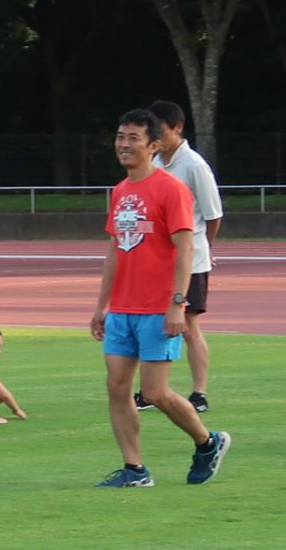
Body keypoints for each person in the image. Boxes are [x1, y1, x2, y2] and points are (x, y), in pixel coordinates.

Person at [91, 109, 231, 487]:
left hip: (157, 307)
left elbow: (186, 250)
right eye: (120, 136)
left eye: (133, 138)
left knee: (154, 392)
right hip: (123, 307)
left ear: (153, 146)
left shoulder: (172, 189)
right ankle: (135, 470)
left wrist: (177, 303)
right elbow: (115, 250)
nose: (124, 144)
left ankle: (207, 442)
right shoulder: (121, 191)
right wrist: (102, 305)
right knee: (117, 387)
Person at [147, 100, 225, 414]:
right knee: (152, 321)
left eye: (162, 131)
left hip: (190, 259)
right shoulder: (154, 162)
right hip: (159, 258)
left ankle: (199, 392)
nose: (157, 138)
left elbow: (213, 215)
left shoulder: (193, 165)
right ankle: (152, 388)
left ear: (178, 128)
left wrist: (204, 247)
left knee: (189, 324)